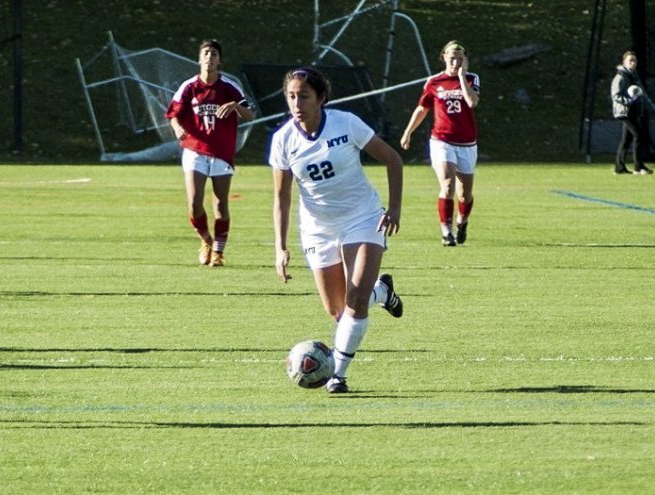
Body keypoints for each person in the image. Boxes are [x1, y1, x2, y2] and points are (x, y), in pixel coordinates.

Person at [269, 66, 404, 394]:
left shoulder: (346, 123)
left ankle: (337, 375)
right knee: (338, 311)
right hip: (318, 229)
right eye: (291, 96)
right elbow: (282, 198)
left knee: (356, 298)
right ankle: (382, 293)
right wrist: (280, 247)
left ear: (321, 99)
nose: (297, 103)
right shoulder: (283, 140)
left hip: (363, 217)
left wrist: (395, 207)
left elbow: (392, 159)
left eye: (304, 96)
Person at [165, 39, 254, 267]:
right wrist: (177, 128)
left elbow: (250, 114)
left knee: (220, 204)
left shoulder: (228, 88)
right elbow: (173, 113)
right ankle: (206, 241)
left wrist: (235, 106)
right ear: (199, 58)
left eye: (214, 53)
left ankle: (219, 251)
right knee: (195, 202)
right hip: (195, 149)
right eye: (206, 53)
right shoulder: (189, 86)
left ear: (219, 60)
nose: (209, 57)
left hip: (221, 152)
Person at [401, 40, 480, 247]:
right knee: (447, 185)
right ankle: (446, 231)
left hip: (467, 143)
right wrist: (408, 132)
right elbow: (422, 108)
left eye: (460, 58)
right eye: (452, 57)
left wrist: (462, 77)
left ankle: (462, 221)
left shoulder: (471, 78)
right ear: (443, 57)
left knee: (465, 194)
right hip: (441, 140)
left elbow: (472, 102)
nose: (455, 62)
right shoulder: (434, 81)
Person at [611, 50, 654, 175]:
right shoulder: (620, 77)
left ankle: (619, 168)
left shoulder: (634, 76)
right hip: (625, 112)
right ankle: (638, 166)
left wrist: (651, 107)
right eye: (630, 60)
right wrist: (628, 100)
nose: (633, 63)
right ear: (624, 62)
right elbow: (615, 95)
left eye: (634, 60)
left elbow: (641, 93)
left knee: (626, 140)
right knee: (638, 135)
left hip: (634, 111)